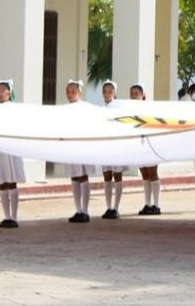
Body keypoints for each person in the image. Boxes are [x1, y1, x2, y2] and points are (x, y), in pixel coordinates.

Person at [0, 79, 27, 228]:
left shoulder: (14, 109)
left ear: (9, 93)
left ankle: (14, 216)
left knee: (11, 181)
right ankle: (6, 216)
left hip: (10, 149)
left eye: (2, 90)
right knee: (2, 182)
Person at [63, 80, 95, 224]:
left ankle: (85, 210)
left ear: (79, 93)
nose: (70, 95)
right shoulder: (65, 108)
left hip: (81, 147)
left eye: (73, 92)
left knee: (83, 176)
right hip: (70, 147)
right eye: (68, 92)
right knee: (74, 177)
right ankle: (78, 210)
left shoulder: (85, 108)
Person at [131, 84, 163, 215]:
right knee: (144, 173)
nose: (134, 96)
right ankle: (147, 203)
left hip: (150, 143)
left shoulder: (148, 109)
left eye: (136, 94)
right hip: (139, 144)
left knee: (152, 172)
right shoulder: (130, 111)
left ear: (143, 95)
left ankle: (157, 204)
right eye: (132, 94)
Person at [99, 80, 126, 219]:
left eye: (110, 91)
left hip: (116, 146)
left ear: (114, 93)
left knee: (117, 175)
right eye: (105, 91)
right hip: (106, 146)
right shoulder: (102, 109)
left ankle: (116, 207)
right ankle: (108, 207)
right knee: (107, 175)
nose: (107, 94)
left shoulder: (118, 107)